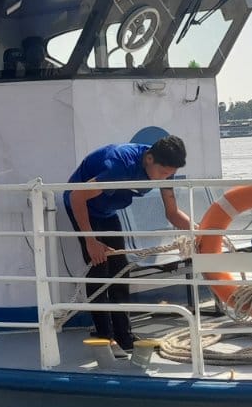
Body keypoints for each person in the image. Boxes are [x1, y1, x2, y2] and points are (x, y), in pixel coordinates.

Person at [63, 134, 192, 352]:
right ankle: (105, 336)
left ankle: (124, 335)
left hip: (107, 211)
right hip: (84, 208)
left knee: (121, 271)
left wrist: (202, 231)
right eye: (162, 173)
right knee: (99, 267)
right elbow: (77, 197)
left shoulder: (164, 170)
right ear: (149, 159)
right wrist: (91, 241)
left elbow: (173, 213)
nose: (164, 178)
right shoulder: (119, 164)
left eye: (170, 175)